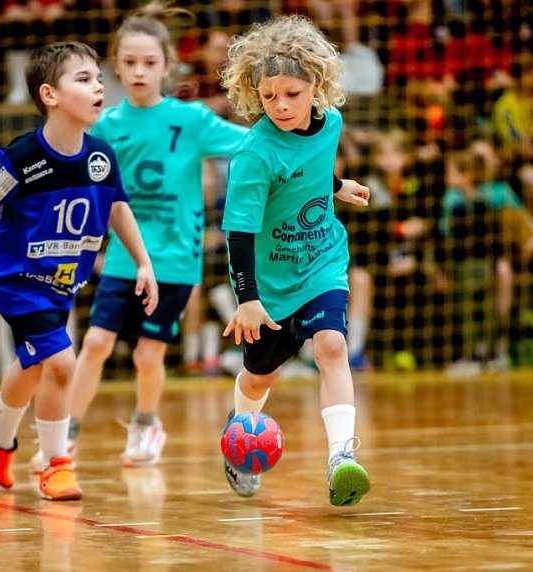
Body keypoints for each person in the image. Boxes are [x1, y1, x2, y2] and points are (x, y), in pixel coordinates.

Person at [0, 41, 159, 501]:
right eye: (83, 79)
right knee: (60, 362)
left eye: (98, 79)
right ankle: (57, 464)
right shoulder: (19, 158)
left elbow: (117, 208)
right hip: (19, 281)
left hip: (62, 284)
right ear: (49, 95)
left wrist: (143, 261)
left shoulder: (101, 157)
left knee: (34, 365)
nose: (98, 87)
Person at [32, 1, 248, 473]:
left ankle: (147, 422)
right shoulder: (105, 126)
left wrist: (297, 132)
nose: (138, 71)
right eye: (128, 62)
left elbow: (248, 143)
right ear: (114, 65)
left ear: (167, 66)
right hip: (124, 258)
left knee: (149, 354)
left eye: (149, 63)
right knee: (95, 345)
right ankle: (64, 434)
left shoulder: (191, 121)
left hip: (174, 258)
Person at [219, 15, 372, 506]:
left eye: (292, 93)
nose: (281, 105)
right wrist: (247, 300)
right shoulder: (253, 155)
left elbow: (308, 171)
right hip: (267, 284)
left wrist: (336, 187)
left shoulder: (333, 125)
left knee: (331, 345)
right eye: (268, 97)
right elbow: (238, 232)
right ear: (254, 95)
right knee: (261, 374)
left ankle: (341, 457)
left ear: (317, 86)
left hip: (322, 260)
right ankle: (240, 431)